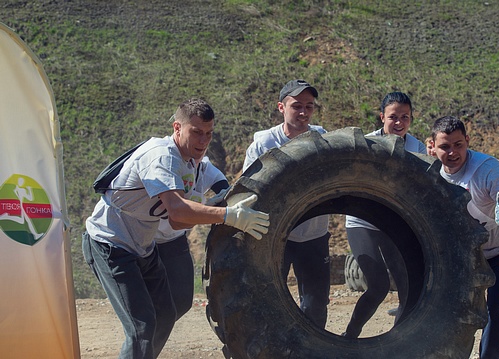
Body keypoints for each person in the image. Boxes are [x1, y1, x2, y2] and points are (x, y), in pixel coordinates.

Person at [82, 98, 269, 359]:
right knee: (142, 327)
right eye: (196, 132)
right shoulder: (160, 156)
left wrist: (222, 201)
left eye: (208, 134)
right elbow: (178, 210)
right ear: (177, 128)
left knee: (166, 314)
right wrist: (227, 215)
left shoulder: (193, 160)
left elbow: (178, 222)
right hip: (111, 244)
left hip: (143, 249)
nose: (203, 141)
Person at [431, 116, 499, 359]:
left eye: (459, 145)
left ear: (467, 141)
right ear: (432, 146)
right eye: (445, 146)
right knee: (452, 307)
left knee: (495, 309)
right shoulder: (430, 173)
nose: (453, 152)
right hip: (471, 254)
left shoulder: (488, 171)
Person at [242, 79, 331, 329]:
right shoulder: (264, 143)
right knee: (267, 299)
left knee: (315, 303)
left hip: (314, 234)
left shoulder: (322, 138)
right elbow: (246, 185)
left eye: (309, 106)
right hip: (274, 235)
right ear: (281, 107)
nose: (303, 112)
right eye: (296, 106)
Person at [342, 91, 426, 338]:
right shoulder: (367, 143)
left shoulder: (416, 146)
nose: (399, 123)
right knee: (378, 286)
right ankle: (350, 335)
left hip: (393, 220)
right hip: (362, 220)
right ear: (382, 117)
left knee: (408, 286)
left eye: (405, 117)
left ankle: (397, 341)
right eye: (393, 117)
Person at [155, 154, 229, 321]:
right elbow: (177, 213)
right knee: (148, 301)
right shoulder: (167, 164)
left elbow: (226, 190)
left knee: (182, 302)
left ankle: (155, 335)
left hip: (175, 239)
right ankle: (147, 337)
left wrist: (224, 203)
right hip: (147, 240)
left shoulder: (205, 168)